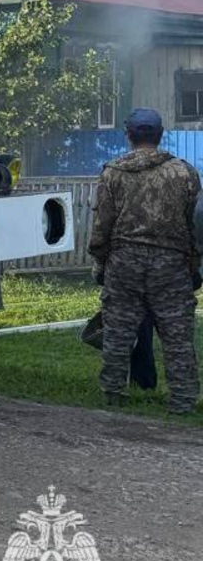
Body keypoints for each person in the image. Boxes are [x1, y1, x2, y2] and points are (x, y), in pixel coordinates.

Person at [90, 107, 202, 414]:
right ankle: (182, 403)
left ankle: (114, 395)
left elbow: (102, 227)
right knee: (177, 336)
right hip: (171, 265)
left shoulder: (112, 172)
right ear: (160, 135)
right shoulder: (184, 172)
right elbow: (196, 224)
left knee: (118, 332)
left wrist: (100, 262)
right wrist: (194, 265)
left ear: (129, 136)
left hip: (124, 262)